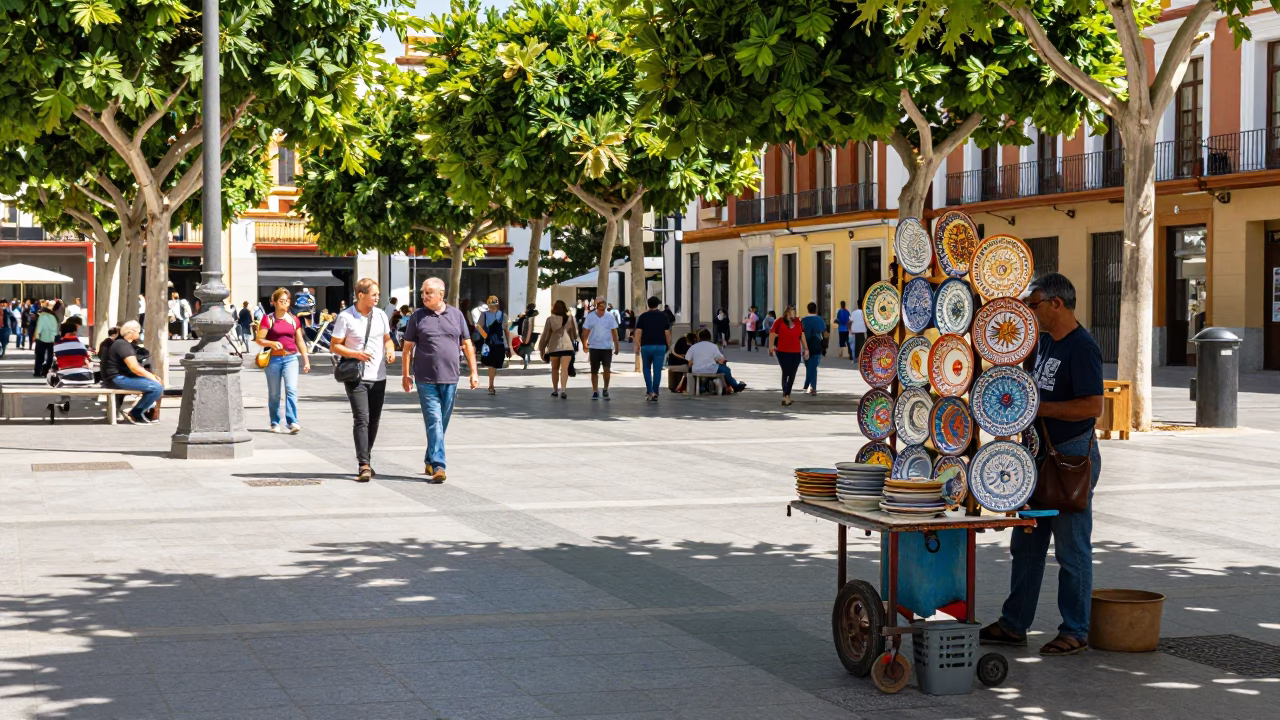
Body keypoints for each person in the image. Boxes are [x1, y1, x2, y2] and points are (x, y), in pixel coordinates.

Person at [982, 273, 1104, 657]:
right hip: (1038, 455)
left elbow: (1092, 406)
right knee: (1027, 543)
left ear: (1056, 304)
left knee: (1072, 548)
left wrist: (1038, 408)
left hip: (1070, 456)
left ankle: (1075, 629)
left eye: (1034, 305)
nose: (1030, 313)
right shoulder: (1045, 343)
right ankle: (1014, 623)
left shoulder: (1082, 347)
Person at [402, 277, 479, 483]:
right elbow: (407, 348)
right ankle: (439, 465)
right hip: (425, 378)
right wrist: (405, 374)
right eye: (422, 293)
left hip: (451, 377)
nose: (424, 296)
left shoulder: (456, 315)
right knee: (434, 420)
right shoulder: (417, 317)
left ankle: (429, 458)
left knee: (441, 422)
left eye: (429, 292)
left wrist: (474, 372)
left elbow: (467, 344)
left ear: (441, 294)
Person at [331, 278, 395, 483]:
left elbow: (387, 338)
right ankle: (364, 464)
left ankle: (366, 457)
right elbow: (335, 346)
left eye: (378, 294)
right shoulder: (346, 317)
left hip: (379, 375)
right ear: (361, 295)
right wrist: (355, 353)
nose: (377, 297)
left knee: (374, 420)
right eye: (374, 294)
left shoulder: (381, 315)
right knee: (362, 418)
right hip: (356, 375)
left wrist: (391, 349)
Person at [255, 288, 311, 434]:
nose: (285, 303)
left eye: (287, 300)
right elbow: (259, 340)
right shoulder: (268, 319)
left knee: (291, 389)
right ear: (273, 302)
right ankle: (275, 422)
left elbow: (299, 340)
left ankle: (293, 422)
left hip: (291, 358)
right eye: (281, 301)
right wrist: (272, 343)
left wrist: (306, 360)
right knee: (274, 393)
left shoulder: (294, 319)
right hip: (273, 359)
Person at [102, 321, 163, 425]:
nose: (139, 334)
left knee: (159, 383)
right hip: (116, 379)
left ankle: (152, 412)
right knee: (156, 387)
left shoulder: (124, 344)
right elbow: (135, 368)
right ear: (132, 332)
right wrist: (152, 377)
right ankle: (135, 413)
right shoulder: (122, 345)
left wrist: (152, 377)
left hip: (120, 377)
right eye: (139, 331)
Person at [537, 300, 579, 398]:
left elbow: (545, 335)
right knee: (564, 369)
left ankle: (555, 390)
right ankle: (563, 390)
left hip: (554, 346)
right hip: (567, 346)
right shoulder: (570, 318)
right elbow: (574, 334)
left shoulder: (550, 319)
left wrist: (542, 348)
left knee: (554, 369)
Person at [634, 296, 671, 402]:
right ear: (658, 304)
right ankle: (655, 391)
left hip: (646, 346)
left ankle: (650, 391)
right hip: (660, 345)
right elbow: (667, 332)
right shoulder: (663, 316)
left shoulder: (643, 317)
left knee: (646, 368)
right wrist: (669, 343)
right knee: (657, 370)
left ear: (648, 304)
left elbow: (638, 332)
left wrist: (637, 344)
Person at [686, 328, 747, 394]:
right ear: (709, 337)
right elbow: (720, 358)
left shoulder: (693, 347)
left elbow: (688, 358)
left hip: (696, 369)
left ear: (699, 337)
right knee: (726, 370)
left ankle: (703, 387)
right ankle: (735, 386)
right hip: (711, 369)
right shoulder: (713, 346)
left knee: (720, 368)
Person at [581, 299, 620, 400]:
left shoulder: (610, 317)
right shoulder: (591, 316)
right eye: (600, 306)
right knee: (594, 370)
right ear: (596, 306)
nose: (601, 308)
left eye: (603, 306)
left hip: (607, 347)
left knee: (607, 369)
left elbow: (614, 332)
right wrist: (584, 344)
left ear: (606, 307)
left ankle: (605, 388)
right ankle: (595, 390)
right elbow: (586, 331)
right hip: (594, 347)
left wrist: (616, 345)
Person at [769, 306, 806, 406]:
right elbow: (772, 333)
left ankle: (786, 395)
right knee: (786, 372)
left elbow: (802, 335)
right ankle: (786, 395)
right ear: (786, 313)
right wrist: (771, 347)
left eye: (794, 312)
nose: (792, 314)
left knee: (792, 373)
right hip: (782, 351)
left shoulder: (799, 321)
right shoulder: (779, 321)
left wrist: (806, 349)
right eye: (790, 312)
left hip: (796, 352)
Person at [475, 295, 512, 395]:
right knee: (494, 365)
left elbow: (478, 326)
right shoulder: (503, 315)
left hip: (489, 343)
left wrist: (485, 335)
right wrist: (508, 346)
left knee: (491, 365)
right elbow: (506, 332)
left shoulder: (484, 315)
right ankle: (491, 385)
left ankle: (491, 385)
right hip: (499, 343)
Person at [51, 320, 93, 385]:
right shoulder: (81, 346)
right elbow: (88, 359)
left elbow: (54, 360)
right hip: (80, 376)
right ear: (75, 332)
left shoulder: (57, 346)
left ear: (61, 332)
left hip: (63, 376)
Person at [801, 302, 828, 395]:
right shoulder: (819, 319)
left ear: (807, 309)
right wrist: (825, 344)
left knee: (809, 365)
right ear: (815, 309)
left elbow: (801, 334)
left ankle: (811, 386)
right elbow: (824, 332)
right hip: (817, 345)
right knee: (813, 366)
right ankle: (810, 385)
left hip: (806, 345)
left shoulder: (803, 320)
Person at [33, 302, 59, 377]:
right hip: (52, 339)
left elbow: (39, 328)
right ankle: (46, 371)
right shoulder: (54, 317)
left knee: (39, 356)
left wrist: (36, 336)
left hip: (42, 339)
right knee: (50, 357)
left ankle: (37, 372)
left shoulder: (42, 317)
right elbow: (56, 329)